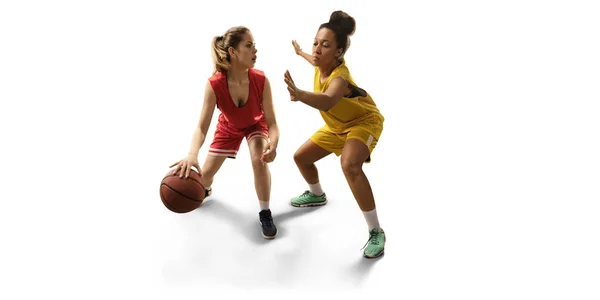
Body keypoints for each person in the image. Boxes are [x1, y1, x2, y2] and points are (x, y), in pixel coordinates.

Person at [284, 11, 386, 258]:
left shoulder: (339, 77)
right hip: (337, 126)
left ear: (338, 52)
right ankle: (317, 195)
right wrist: (301, 53)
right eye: (316, 42)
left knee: (350, 165)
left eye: (325, 45)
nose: (317, 49)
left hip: (363, 122)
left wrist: (300, 94)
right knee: (301, 158)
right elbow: (314, 60)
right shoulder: (321, 63)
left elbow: (328, 101)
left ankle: (376, 231)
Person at [170, 26, 280, 239]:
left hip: (255, 125)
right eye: (248, 45)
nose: (255, 50)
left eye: (254, 45)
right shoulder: (215, 84)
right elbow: (202, 127)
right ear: (233, 51)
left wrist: (273, 144)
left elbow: (272, 123)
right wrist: (192, 154)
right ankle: (206, 189)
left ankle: (265, 212)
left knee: (260, 159)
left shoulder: (261, 80)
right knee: (203, 180)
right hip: (228, 127)